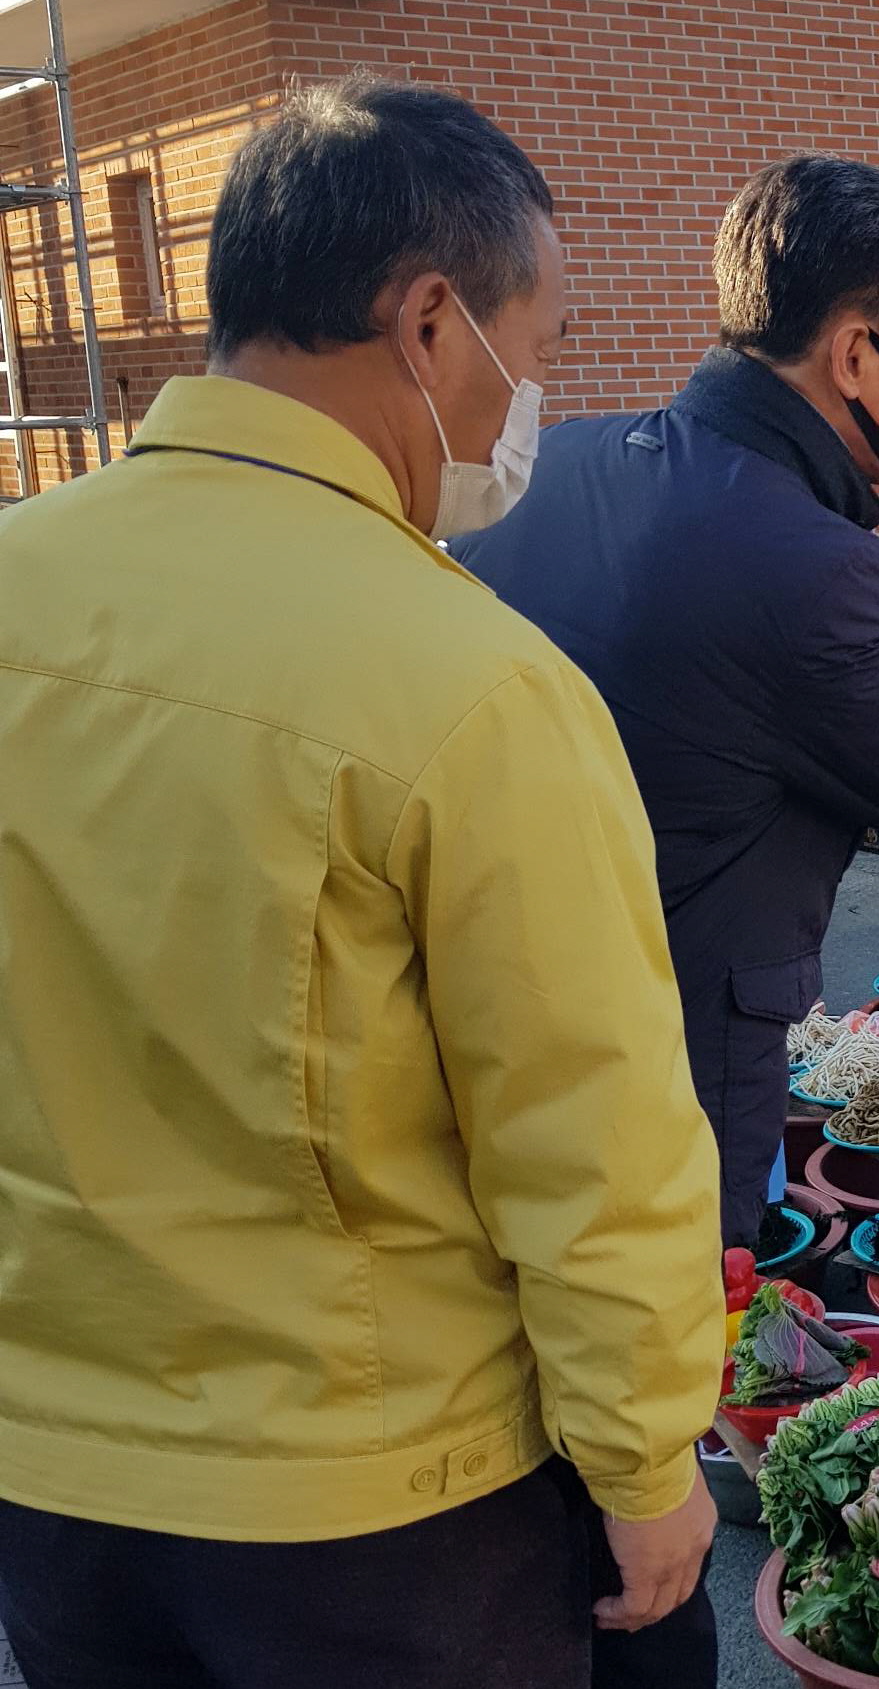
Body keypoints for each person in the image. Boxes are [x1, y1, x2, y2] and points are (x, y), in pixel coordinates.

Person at [0, 77, 724, 1689]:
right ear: (428, 325)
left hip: (51, 1476)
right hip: (374, 1515)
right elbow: (589, 1139)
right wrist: (646, 1463)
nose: (526, 400)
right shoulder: (471, 689)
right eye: (529, 352)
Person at [452, 154, 879, 1254]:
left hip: (492, 1030)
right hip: (665, 1072)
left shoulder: (557, 466)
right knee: (653, 1372)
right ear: (858, 356)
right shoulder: (813, 569)